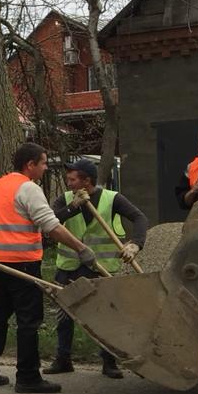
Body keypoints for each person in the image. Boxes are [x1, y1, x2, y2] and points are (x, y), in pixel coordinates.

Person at [0, 143, 98, 394]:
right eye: (43, 163)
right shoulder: (28, 188)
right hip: (23, 262)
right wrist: (80, 248)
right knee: (29, 320)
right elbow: (50, 225)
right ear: (30, 165)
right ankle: (28, 377)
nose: (45, 167)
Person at [44, 159, 149, 380]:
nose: (68, 183)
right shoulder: (64, 199)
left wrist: (135, 243)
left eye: (72, 179)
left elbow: (139, 218)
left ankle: (109, 361)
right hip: (70, 266)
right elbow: (50, 223)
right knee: (64, 315)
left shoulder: (112, 199)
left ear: (87, 181)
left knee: (106, 316)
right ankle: (63, 359)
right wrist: (73, 207)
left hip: (102, 268)